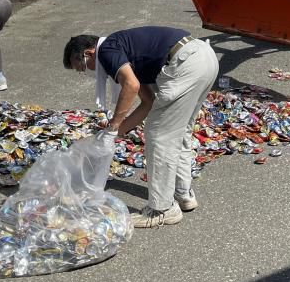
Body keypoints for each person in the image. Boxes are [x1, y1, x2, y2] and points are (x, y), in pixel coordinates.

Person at [63, 27, 219, 228]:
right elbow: (147, 102)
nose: (87, 73)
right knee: (179, 132)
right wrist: (113, 134)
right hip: (203, 57)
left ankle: (162, 209)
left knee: (159, 135)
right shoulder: (125, 52)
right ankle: (183, 194)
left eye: (83, 67)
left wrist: (113, 126)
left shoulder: (108, 49)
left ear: (88, 53)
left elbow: (131, 86)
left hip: (185, 63)